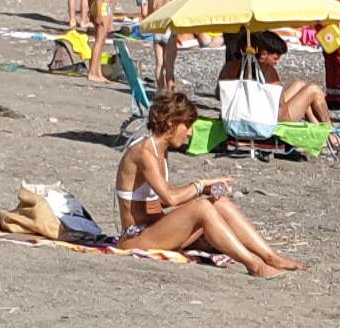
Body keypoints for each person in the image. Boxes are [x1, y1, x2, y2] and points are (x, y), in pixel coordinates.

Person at [115, 92, 306, 278]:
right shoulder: (144, 152)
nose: (189, 133)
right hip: (135, 238)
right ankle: (254, 265)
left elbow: (160, 203)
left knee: (219, 202)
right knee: (203, 207)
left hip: (155, 228)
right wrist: (200, 185)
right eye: (187, 126)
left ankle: (270, 256)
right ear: (171, 123)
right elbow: (170, 198)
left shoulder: (160, 151)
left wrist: (206, 190)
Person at [218, 31, 333, 125]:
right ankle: (330, 133)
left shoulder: (229, 67)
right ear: (263, 54)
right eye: (275, 58)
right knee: (313, 90)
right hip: (271, 118)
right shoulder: (267, 70)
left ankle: (315, 122)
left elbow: (219, 94)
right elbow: (280, 104)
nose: (278, 62)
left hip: (240, 113)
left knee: (300, 85)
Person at [149, 0, 177, 90]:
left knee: (159, 64)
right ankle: (170, 93)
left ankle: (160, 91)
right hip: (170, 33)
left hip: (158, 32)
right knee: (169, 67)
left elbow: (150, 16)